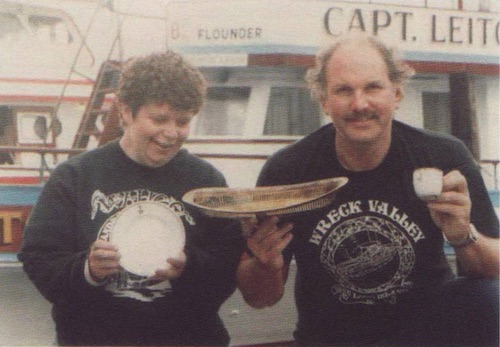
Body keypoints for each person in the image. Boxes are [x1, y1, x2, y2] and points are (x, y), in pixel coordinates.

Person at [237, 34, 499, 346]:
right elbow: (259, 299)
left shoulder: (443, 157)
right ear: (324, 100)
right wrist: (265, 264)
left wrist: (461, 234)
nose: (360, 104)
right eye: (344, 90)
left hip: (426, 331)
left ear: (397, 93)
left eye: (372, 87)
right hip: (331, 337)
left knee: (491, 298)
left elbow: (493, 272)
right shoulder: (288, 171)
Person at [18, 51, 245, 346]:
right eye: (160, 118)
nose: (171, 133)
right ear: (125, 111)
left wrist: (189, 266)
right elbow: (38, 258)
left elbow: (229, 264)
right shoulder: (74, 177)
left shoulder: (208, 182)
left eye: (183, 121)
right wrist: (88, 270)